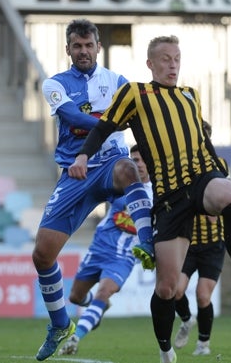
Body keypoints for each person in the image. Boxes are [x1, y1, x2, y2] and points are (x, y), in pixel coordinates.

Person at [69, 35, 231, 363]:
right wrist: (83, 157)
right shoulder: (135, 93)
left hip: (200, 179)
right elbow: (103, 129)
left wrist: (218, 168)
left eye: (176, 58)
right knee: (167, 289)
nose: (173, 64)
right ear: (150, 63)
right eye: (165, 58)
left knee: (229, 195)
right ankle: (165, 349)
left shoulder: (191, 95)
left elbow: (203, 141)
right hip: (169, 197)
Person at [32, 19, 154, 361]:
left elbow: (142, 120)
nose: (83, 51)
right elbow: (73, 116)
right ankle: (60, 324)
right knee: (42, 255)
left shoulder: (117, 82)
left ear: (98, 47)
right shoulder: (55, 83)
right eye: (77, 46)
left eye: (88, 45)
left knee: (130, 169)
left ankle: (146, 243)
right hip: (76, 172)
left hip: (109, 164)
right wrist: (114, 121)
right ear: (68, 49)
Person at [58, 145, 152, 356]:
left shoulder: (157, 194)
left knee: (103, 291)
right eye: (134, 160)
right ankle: (99, 306)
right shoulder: (121, 184)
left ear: (150, 164)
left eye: (140, 161)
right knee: (75, 296)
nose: (136, 165)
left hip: (124, 256)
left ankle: (76, 337)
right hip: (99, 248)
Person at [173, 120, 226, 357]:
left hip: (213, 245)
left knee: (203, 294)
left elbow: (223, 197)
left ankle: (203, 344)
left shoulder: (219, 165)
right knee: (175, 290)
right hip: (188, 243)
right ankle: (186, 320)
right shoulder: (181, 167)